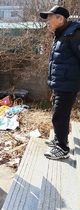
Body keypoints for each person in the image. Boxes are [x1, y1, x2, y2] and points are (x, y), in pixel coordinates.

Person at [40, 6, 80, 160]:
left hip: (68, 83)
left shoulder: (74, 34)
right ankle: (59, 139)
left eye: (50, 18)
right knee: (58, 114)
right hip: (61, 83)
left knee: (60, 115)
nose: (47, 22)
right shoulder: (61, 34)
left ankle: (62, 148)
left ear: (60, 19)